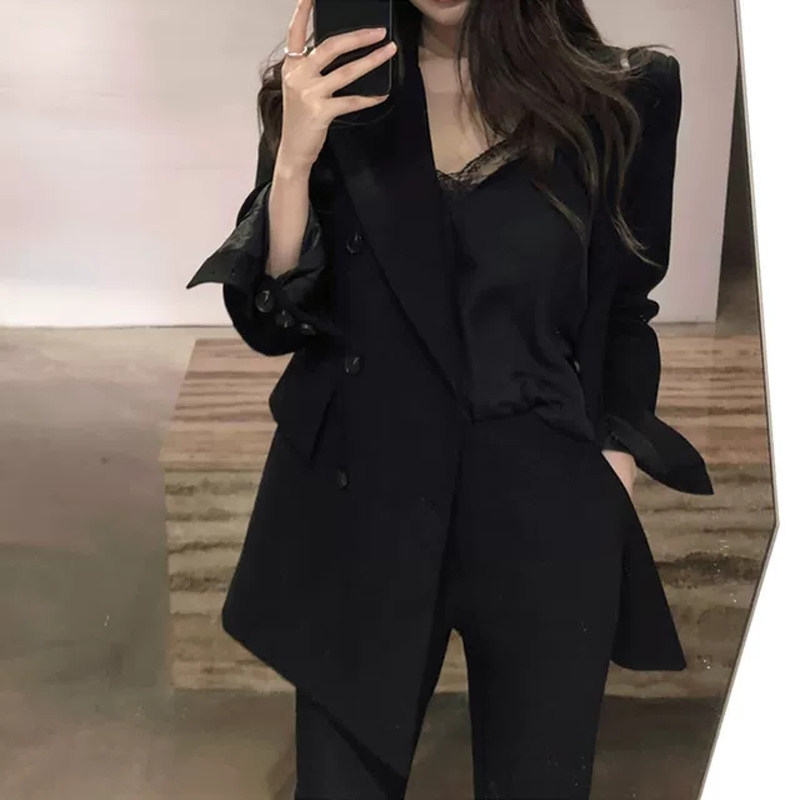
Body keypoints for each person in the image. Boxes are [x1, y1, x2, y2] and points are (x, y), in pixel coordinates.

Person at [186, 0, 714, 797]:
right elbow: (277, 323)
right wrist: (293, 161)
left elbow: (624, 306)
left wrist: (613, 455)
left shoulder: (620, 97)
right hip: (365, 496)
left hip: (541, 501)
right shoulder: (335, 92)